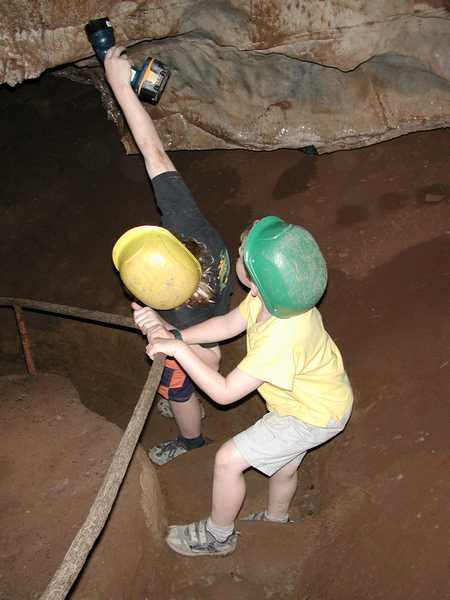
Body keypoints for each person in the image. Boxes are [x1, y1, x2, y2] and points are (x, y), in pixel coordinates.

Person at [138, 216, 354, 557]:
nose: (235, 255)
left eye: (240, 255)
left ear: (256, 282)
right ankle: (276, 519)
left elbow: (225, 393)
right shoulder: (276, 300)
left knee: (228, 460)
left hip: (310, 416)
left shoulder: (282, 339)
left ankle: (218, 536)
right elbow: (228, 324)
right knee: (285, 465)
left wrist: (178, 350)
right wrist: (177, 335)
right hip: (324, 401)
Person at [104, 46, 232, 466]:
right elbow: (154, 153)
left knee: (177, 385)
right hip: (216, 301)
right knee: (189, 362)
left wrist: (164, 334)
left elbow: (212, 359)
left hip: (193, 328)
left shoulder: (178, 315)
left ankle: (190, 438)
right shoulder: (191, 228)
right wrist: (123, 88)